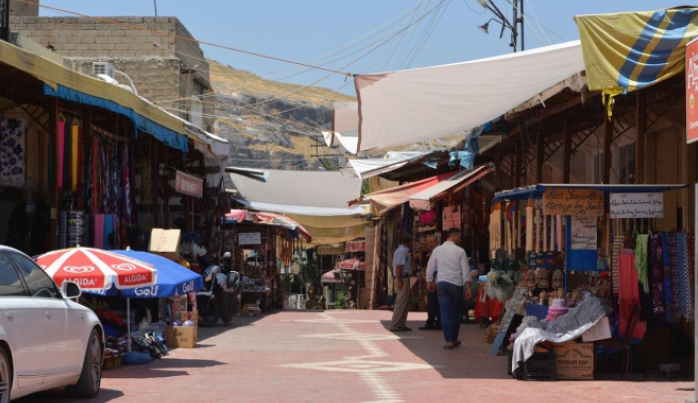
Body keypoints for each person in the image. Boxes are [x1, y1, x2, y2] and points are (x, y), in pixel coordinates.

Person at [426, 228, 472, 349]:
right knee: (455, 312)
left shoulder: (438, 250)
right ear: (455, 236)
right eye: (459, 237)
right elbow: (466, 271)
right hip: (456, 284)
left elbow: (430, 266)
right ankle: (454, 338)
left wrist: (429, 281)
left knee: (445, 311)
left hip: (442, 284)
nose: (460, 239)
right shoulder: (460, 251)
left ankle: (448, 341)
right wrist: (468, 287)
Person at [389, 234, 413, 332]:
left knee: (404, 302)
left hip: (404, 278)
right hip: (402, 278)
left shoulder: (403, 251)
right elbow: (399, 267)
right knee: (401, 301)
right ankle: (395, 324)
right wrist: (399, 281)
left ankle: (401, 324)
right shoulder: (402, 251)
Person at [419, 235, 441, 330]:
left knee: (433, 301)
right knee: (434, 301)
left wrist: (431, 280)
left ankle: (432, 322)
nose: (429, 244)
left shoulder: (438, 251)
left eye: (431, 242)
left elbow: (434, 267)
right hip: (436, 277)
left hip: (436, 277)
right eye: (428, 242)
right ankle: (433, 322)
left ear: (436, 241)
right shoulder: (434, 251)